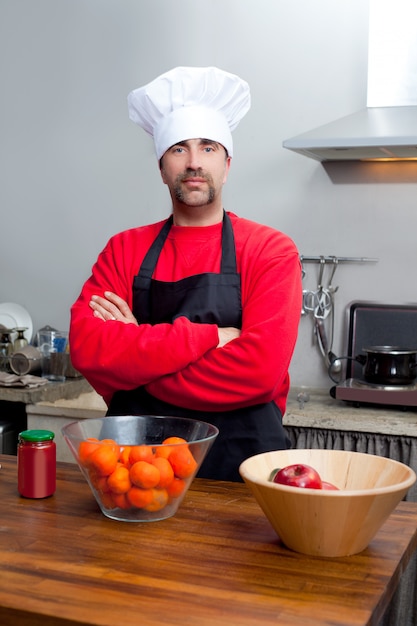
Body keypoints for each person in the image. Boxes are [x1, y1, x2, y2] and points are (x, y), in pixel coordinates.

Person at [70, 66, 302, 482]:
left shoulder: (269, 249)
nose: (194, 162)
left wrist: (138, 363)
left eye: (208, 148)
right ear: (161, 168)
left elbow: (259, 371)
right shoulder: (124, 249)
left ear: (227, 165)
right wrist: (210, 337)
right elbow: (89, 349)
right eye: (179, 149)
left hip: (241, 471)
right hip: (135, 473)